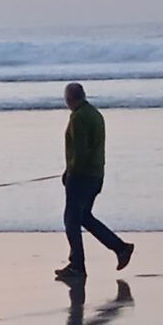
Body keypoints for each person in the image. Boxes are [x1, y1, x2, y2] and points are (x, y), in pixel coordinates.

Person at [55, 82, 134, 278]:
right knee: (84, 217)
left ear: (70, 99)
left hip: (81, 176)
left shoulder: (79, 117)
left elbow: (81, 151)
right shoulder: (94, 114)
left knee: (71, 220)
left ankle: (77, 266)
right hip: (96, 174)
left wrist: (70, 172)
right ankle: (120, 247)